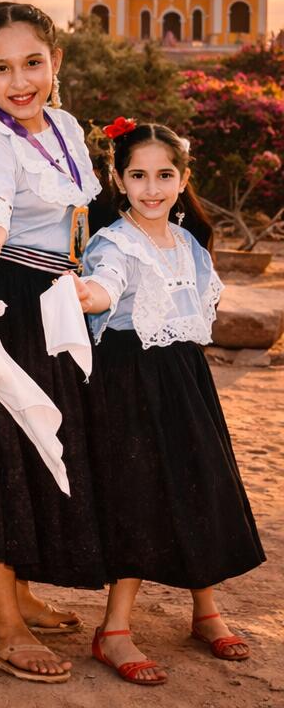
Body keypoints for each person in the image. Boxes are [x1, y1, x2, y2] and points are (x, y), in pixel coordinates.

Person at [0, 1, 106, 683]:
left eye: (32, 63)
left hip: (51, 306)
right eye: (0, 68)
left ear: (55, 61)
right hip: (2, 300)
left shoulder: (63, 125)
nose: (19, 81)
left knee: (36, 452)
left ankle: (19, 595)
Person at [72, 119, 264, 686]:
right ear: (119, 178)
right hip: (132, 384)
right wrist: (89, 294)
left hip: (185, 380)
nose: (151, 188)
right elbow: (106, 284)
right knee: (141, 495)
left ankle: (206, 611)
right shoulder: (115, 242)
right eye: (137, 176)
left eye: (164, 175)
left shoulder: (187, 241)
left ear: (183, 179)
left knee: (200, 482)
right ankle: (114, 629)